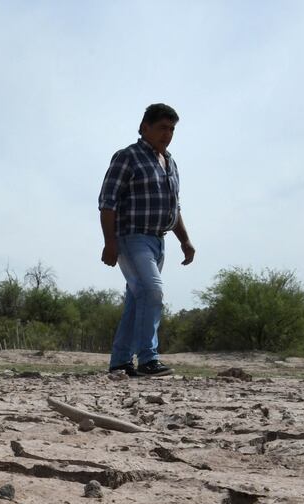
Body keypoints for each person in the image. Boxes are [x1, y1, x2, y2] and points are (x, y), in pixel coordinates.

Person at [99, 103, 195, 377]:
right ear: (145, 128)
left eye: (172, 129)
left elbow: (173, 208)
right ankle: (148, 359)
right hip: (131, 237)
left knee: (138, 298)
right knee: (153, 291)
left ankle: (120, 361)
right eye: (162, 128)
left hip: (158, 240)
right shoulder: (127, 157)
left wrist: (185, 241)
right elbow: (107, 202)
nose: (168, 134)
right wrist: (110, 241)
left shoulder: (170, 163)